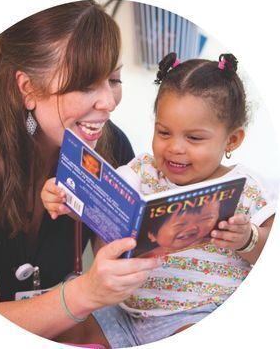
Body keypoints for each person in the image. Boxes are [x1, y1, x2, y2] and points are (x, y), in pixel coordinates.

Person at [0, 0, 160, 342]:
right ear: (28, 89)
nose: (109, 103)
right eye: (85, 85)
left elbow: (120, 275)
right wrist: (86, 293)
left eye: (114, 79)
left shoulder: (110, 149)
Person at [43, 52, 276, 347]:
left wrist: (249, 239)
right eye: (163, 132)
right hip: (123, 311)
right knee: (59, 332)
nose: (175, 148)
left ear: (232, 140)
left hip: (194, 316)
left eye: (194, 138)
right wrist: (66, 198)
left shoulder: (248, 188)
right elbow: (104, 202)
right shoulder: (143, 170)